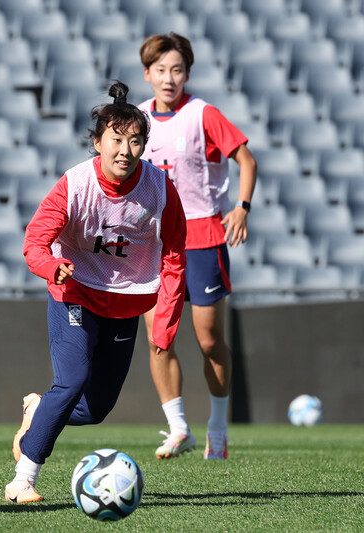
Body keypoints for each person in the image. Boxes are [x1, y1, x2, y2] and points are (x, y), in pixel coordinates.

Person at [6, 81, 187, 503]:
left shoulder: (159, 188)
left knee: (95, 409)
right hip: (75, 293)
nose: (125, 150)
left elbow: (176, 253)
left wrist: (165, 321)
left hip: (126, 304)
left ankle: (37, 409)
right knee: (71, 382)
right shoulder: (74, 184)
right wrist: (53, 267)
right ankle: (24, 478)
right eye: (116, 140)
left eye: (136, 141)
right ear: (97, 142)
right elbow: (35, 242)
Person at [137, 33, 257, 460]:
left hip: (204, 237)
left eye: (177, 70)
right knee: (158, 339)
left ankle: (218, 428)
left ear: (187, 73)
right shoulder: (136, 120)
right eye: (161, 70)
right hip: (152, 243)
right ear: (147, 73)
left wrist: (241, 207)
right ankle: (178, 428)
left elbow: (246, 159)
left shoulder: (203, 114)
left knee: (209, 341)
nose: (169, 78)